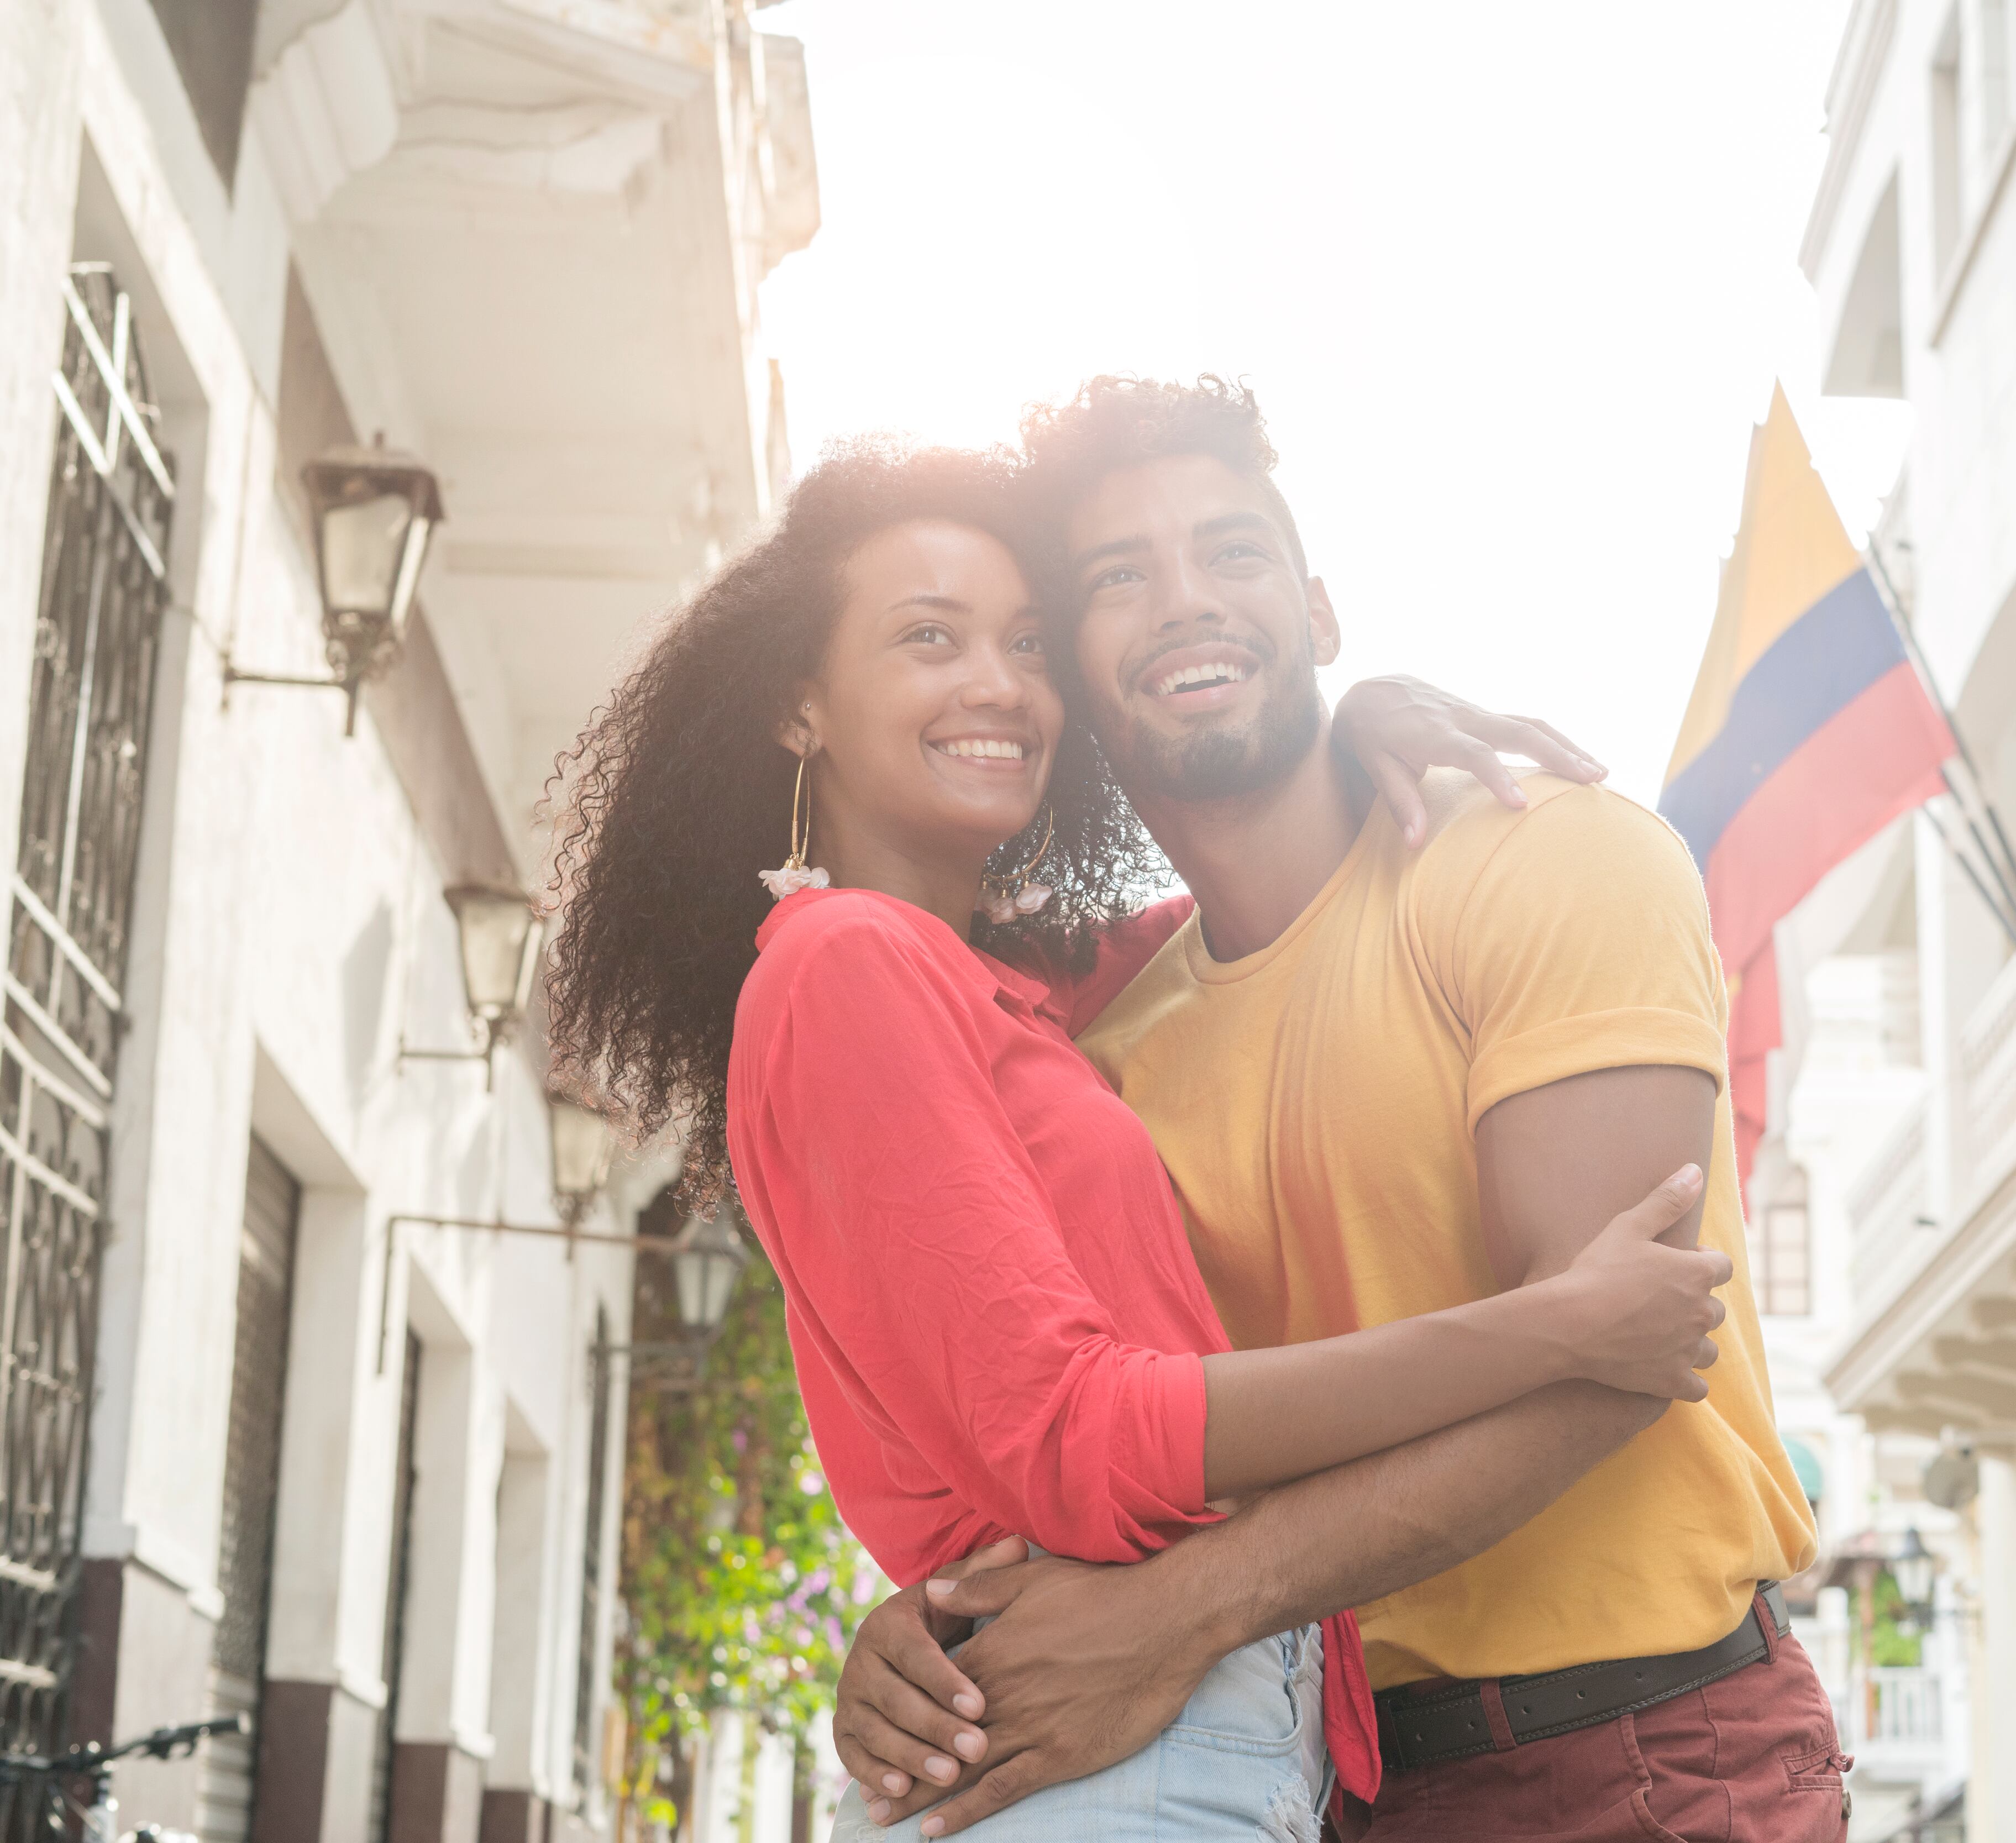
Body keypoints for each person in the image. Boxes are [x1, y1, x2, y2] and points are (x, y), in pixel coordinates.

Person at [543, 439, 1740, 1843]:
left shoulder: (1047, 998)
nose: (994, 682)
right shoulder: (847, 961)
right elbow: (1071, 1434)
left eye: (1027, 643)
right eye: (928, 638)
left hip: (1267, 1736)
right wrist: (1555, 1328)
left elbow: (1260, 906)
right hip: (1133, 1745)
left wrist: (1343, 721)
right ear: (798, 706)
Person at [833, 379, 1846, 1843]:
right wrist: (929, 1638)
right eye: (1121, 578)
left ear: (1319, 611)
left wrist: (1184, 1613)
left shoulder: (1550, 856)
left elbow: (1619, 1359)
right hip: (1319, 1787)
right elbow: (1107, 1438)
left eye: (1232, 554)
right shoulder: (1108, 1045)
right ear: (1066, 670)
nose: (1185, 603)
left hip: (1637, 1754)